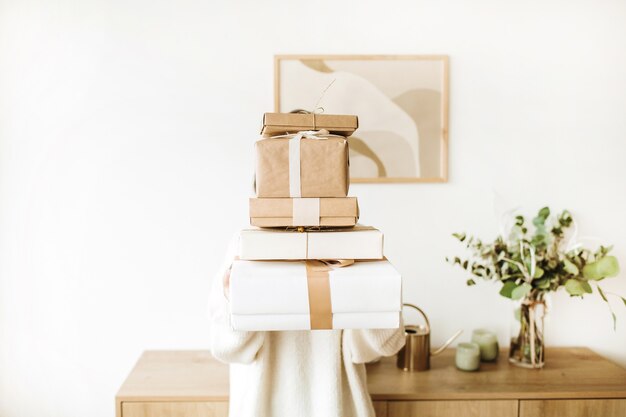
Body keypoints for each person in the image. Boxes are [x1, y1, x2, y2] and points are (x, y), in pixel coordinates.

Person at [208, 235, 406, 417]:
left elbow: (384, 345)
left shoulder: (351, 242)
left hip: (336, 405)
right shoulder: (245, 244)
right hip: (265, 406)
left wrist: (377, 291)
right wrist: (232, 299)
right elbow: (225, 348)